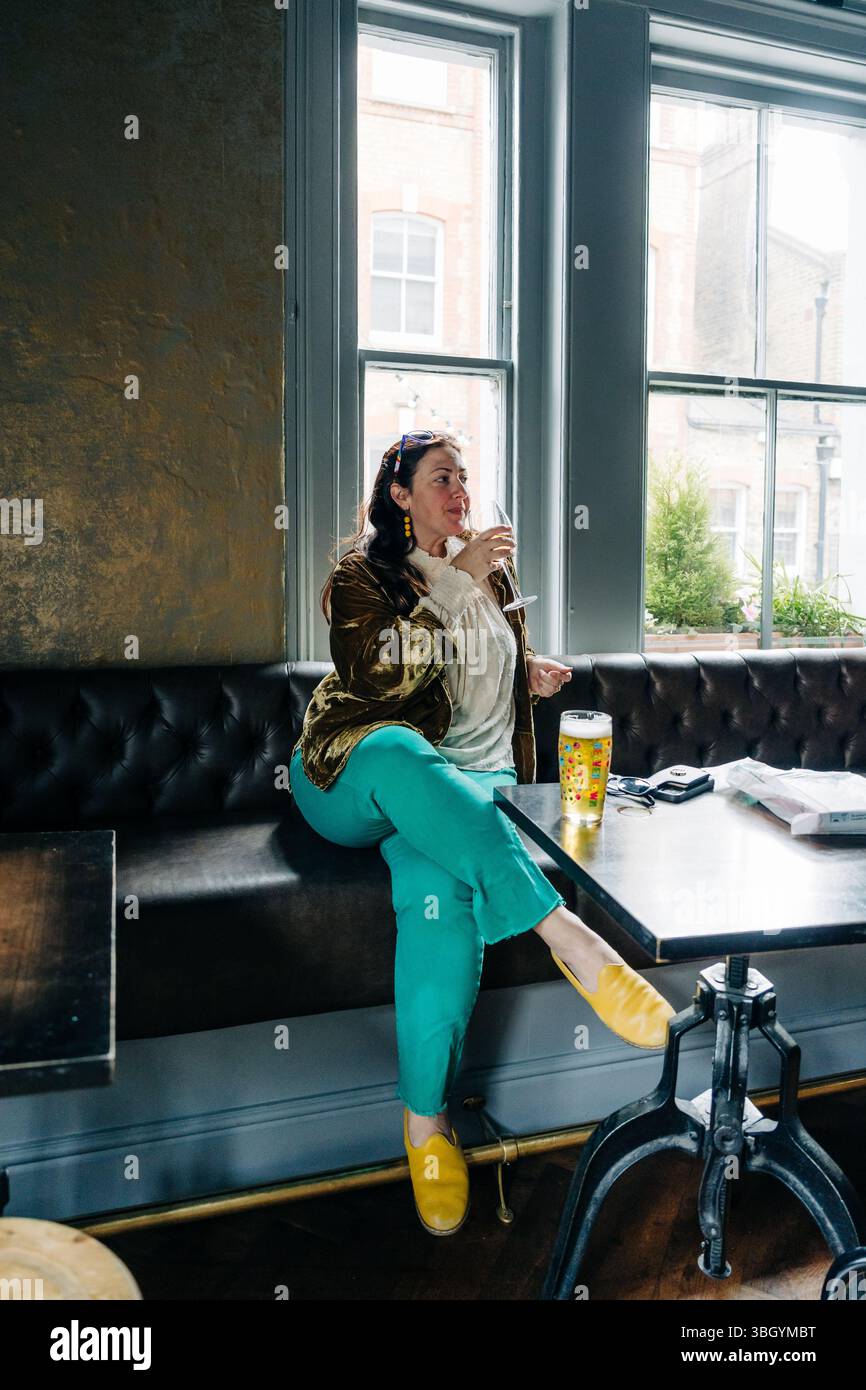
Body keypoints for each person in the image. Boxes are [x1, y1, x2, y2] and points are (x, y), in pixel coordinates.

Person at [290, 429, 674, 1236]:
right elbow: (379, 677)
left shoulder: (491, 572)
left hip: (468, 787)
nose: (458, 488)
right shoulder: (362, 576)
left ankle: (426, 1130)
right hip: (357, 770)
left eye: (464, 475)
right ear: (400, 494)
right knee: (398, 747)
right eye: (440, 476)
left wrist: (522, 671)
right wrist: (450, 586)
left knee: (440, 898)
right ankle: (570, 939)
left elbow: (479, 667)